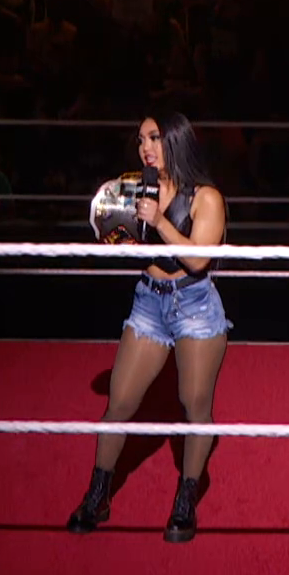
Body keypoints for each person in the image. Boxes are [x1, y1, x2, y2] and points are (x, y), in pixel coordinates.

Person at [67, 112, 232, 544]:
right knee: (119, 401)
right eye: (141, 139)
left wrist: (158, 221)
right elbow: (122, 240)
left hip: (194, 304)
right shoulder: (136, 188)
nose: (145, 147)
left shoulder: (206, 198)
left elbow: (199, 259)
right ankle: (97, 495)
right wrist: (113, 229)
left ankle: (185, 499)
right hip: (148, 301)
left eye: (154, 138)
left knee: (194, 405)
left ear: (176, 141)